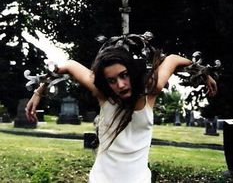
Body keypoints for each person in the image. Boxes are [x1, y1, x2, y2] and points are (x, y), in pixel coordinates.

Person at [25, 46, 217, 183]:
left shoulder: (150, 91)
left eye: (124, 75)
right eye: (112, 80)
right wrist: (38, 92)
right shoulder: (103, 95)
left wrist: (203, 72)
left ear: (131, 72)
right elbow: (69, 65)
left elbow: (173, 59)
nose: (121, 84)